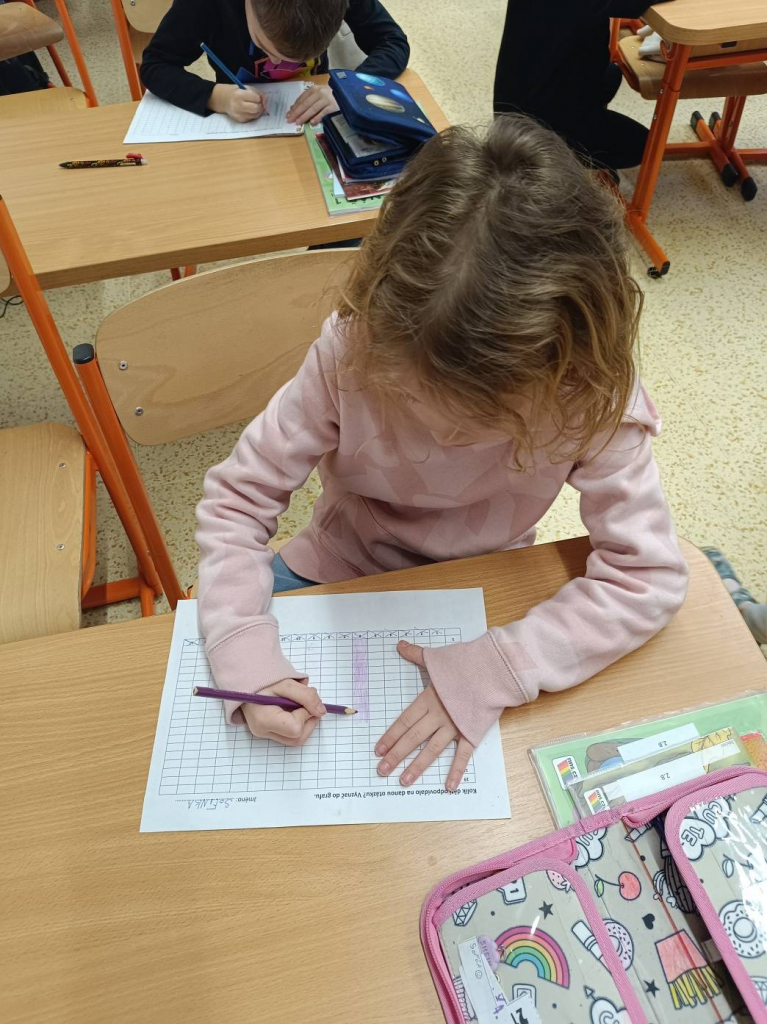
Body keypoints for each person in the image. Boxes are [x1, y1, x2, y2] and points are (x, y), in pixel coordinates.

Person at [196, 116, 689, 790]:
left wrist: (503, 663)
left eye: (492, 422)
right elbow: (236, 502)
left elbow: (648, 576)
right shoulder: (349, 351)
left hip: (491, 587)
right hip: (338, 568)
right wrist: (243, 651)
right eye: (411, 398)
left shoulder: (590, 393)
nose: (447, 440)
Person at [141, 0, 409, 126]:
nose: (278, 63)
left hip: (315, 121)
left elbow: (393, 41)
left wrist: (349, 88)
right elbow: (155, 65)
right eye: (264, 46)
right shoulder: (205, 5)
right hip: (239, 122)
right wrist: (216, 97)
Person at [493, 1, 672, 171]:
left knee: (611, 74)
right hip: (540, 129)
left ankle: (586, 115)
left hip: (516, 107)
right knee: (644, 146)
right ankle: (555, 160)